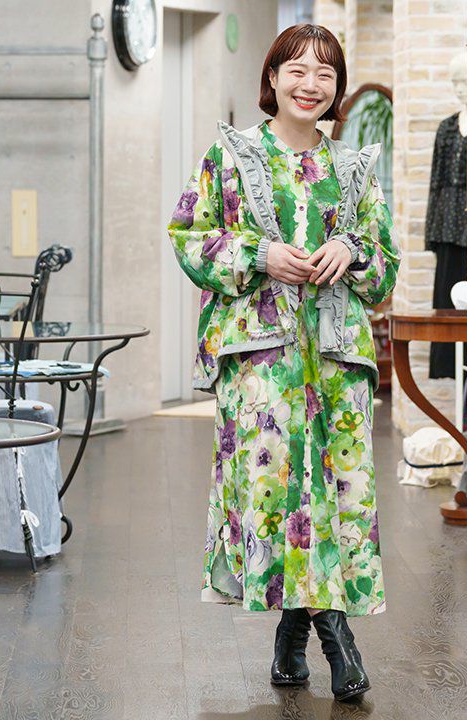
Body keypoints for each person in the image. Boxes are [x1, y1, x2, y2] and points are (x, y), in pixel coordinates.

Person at [167, 23, 400, 702]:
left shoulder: (353, 168)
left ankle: (296, 636)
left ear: (337, 88)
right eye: (297, 70)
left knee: (335, 492)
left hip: (337, 358)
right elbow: (189, 236)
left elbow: (385, 266)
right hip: (260, 358)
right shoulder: (231, 156)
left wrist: (352, 251)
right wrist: (259, 254)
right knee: (278, 493)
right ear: (272, 78)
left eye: (325, 74)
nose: (310, 84)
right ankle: (337, 640)